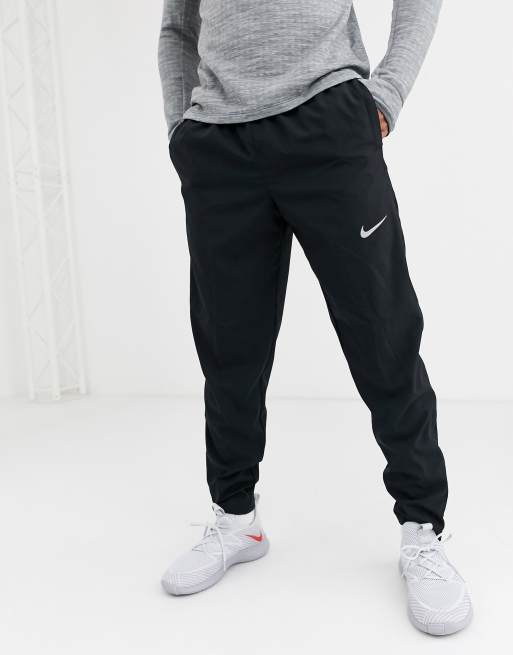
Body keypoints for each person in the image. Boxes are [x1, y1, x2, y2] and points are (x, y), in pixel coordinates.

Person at [158, 0, 472, 635]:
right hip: (217, 144)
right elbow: (178, 26)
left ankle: (422, 528)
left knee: (383, 336)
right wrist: (179, 128)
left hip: (328, 122)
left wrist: (387, 93)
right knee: (229, 347)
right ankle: (236, 518)